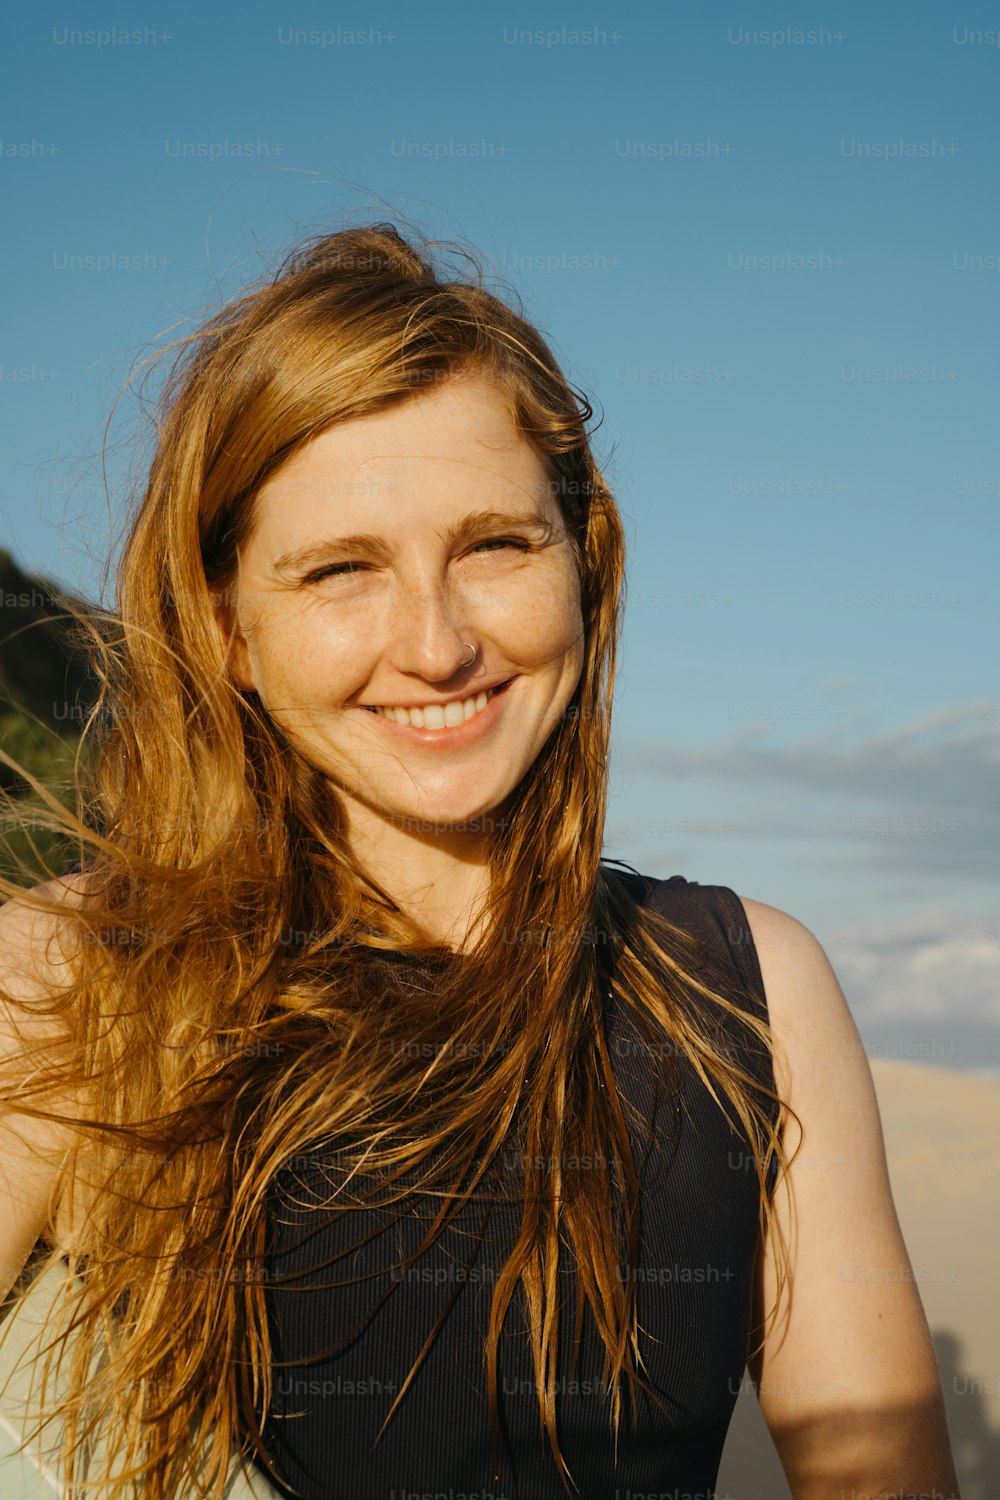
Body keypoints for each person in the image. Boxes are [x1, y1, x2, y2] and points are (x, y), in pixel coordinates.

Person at [0, 222, 960, 1500]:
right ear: (228, 630)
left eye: (495, 545)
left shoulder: (749, 990)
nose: (438, 645)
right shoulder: (69, 980)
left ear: (582, 563)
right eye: (341, 570)